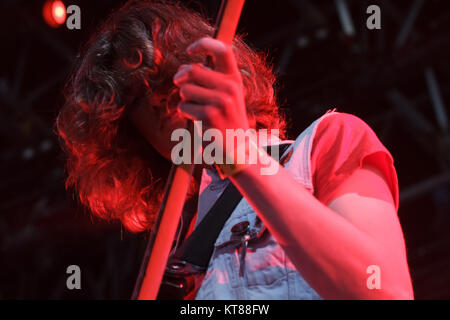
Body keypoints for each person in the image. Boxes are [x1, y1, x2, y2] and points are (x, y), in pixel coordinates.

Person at [56, 0, 414, 299]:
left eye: (165, 74)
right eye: (134, 97)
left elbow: (386, 291)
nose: (158, 99)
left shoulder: (327, 140)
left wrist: (239, 155)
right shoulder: (169, 253)